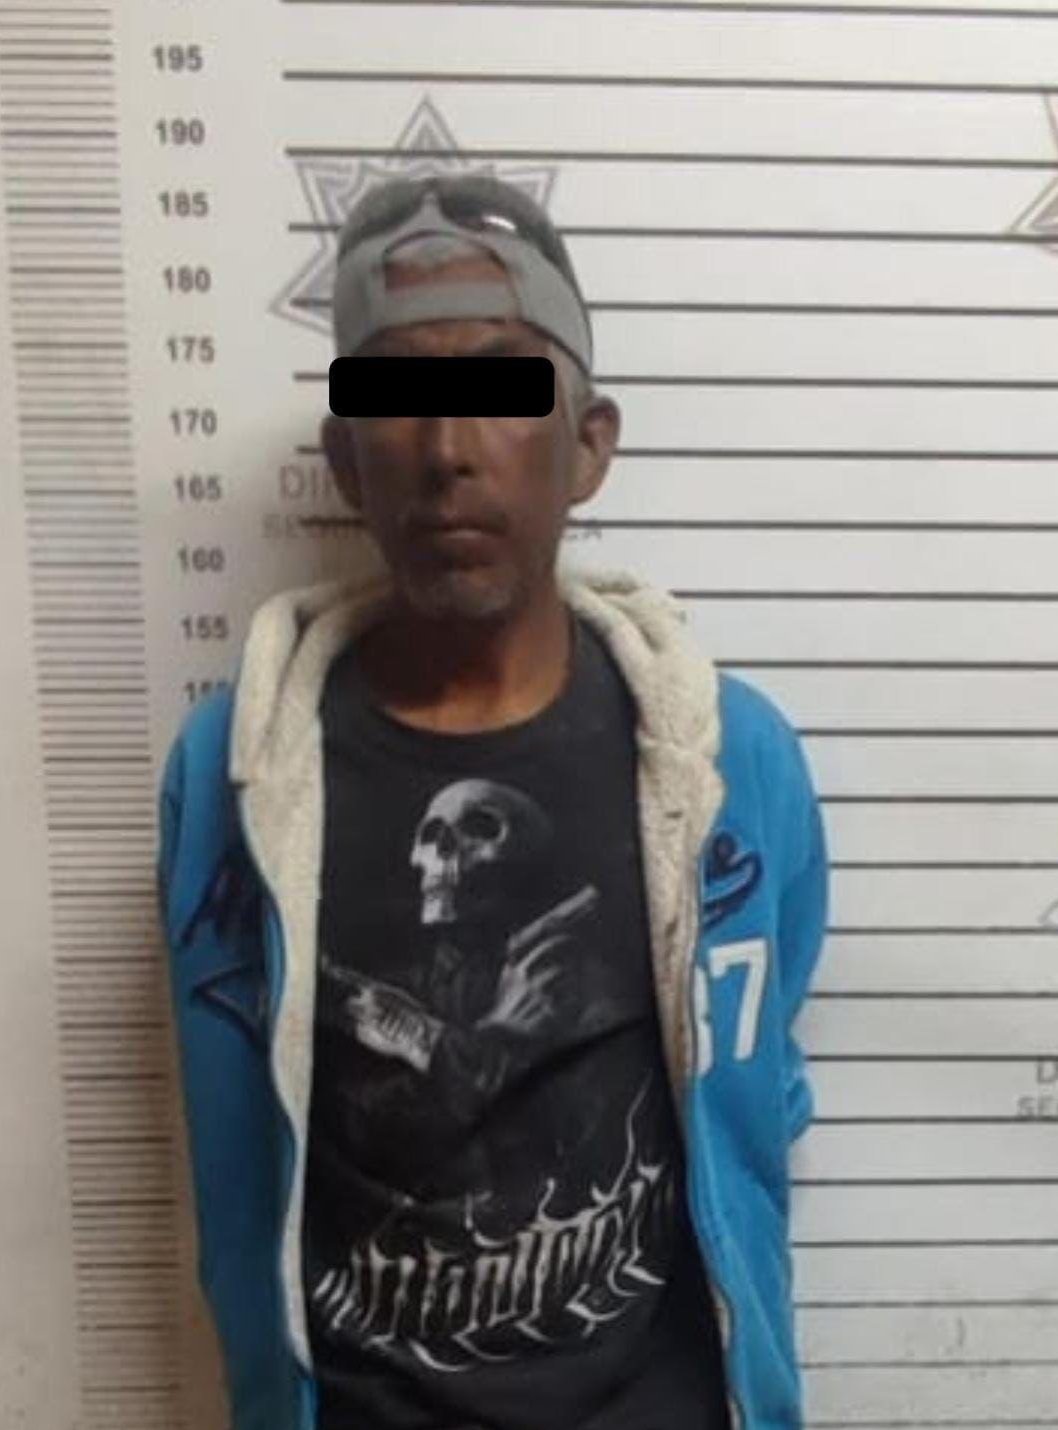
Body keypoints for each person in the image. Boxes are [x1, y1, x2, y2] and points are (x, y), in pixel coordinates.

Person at [156, 174, 829, 1430]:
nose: (449, 449)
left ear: (588, 444)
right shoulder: (230, 777)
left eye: (505, 388)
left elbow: (755, 1087)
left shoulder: (736, 763)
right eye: (393, 398)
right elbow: (244, 1142)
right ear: (345, 458)